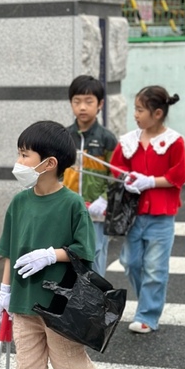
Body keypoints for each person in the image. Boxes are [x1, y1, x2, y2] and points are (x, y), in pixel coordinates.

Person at [0, 120, 97, 369]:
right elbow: (9, 251)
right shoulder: (19, 203)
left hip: (59, 306)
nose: (19, 161)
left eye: (25, 155)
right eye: (19, 153)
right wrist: (4, 292)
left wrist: (51, 255)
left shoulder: (72, 204)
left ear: (49, 163)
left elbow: (85, 251)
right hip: (23, 302)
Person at [110, 86, 185, 334]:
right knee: (130, 262)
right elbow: (117, 167)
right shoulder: (129, 140)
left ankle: (147, 315)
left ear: (157, 113)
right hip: (133, 214)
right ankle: (147, 302)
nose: (135, 114)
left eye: (140, 110)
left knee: (155, 268)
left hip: (161, 216)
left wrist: (150, 181)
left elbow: (179, 175)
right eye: (135, 109)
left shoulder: (174, 141)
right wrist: (127, 178)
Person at [62, 75, 118, 276]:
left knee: (94, 258)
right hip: (68, 211)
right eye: (77, 101)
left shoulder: (107, 139)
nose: (82, 107)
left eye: (88, 101)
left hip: (96, 212)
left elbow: (116, 176)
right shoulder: (64, 136)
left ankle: (96, 296)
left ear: (100, 104)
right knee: (67, 258)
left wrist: (104, 200)